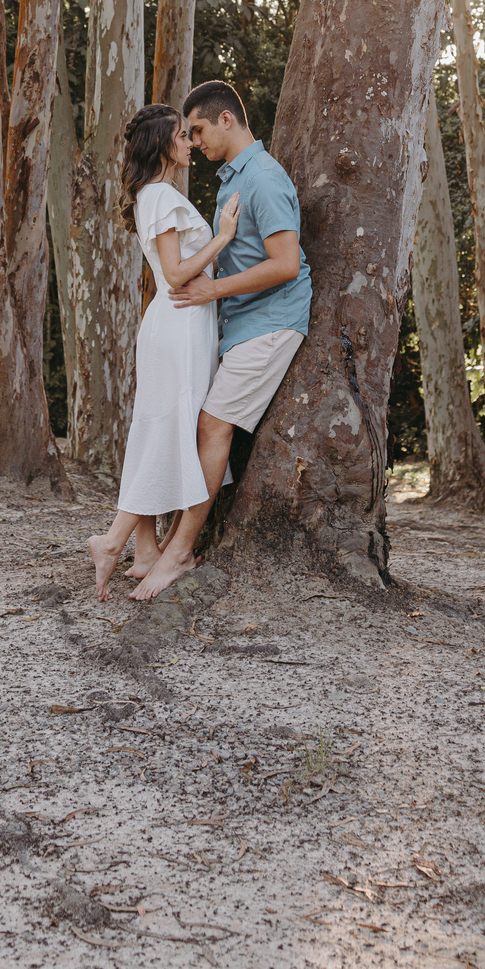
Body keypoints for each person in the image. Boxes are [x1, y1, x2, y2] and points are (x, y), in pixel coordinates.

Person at [130, 79, 311, 601]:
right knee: (192, 423)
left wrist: (211, 291)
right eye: (187, 133)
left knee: (211, 425)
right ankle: (167, 542)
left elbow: (285, 265)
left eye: (200, 129)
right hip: (240, 324)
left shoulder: (265, 178)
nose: (195, 141)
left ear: (227, 120)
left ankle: (180, 552)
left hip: (272, 321)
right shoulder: (234, 178)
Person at [87, 104, 240, 601]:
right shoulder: (159, 197)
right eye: (181, 135)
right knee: (167, 431)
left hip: (182, 324)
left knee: (158, 428)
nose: (190, 143)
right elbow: (175, 275)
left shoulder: (156, 196)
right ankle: (112, 542)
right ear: (161, 145)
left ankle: (145, 549)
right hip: (179, 323)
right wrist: (222, 238)